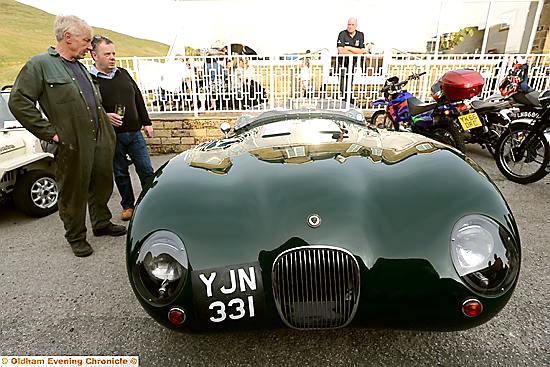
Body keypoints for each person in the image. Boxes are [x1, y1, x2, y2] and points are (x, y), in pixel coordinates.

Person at [8, 15, 126, 257]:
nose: (89, 46)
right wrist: (49, 132)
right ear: (68, 37)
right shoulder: (39, 65)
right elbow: (19, 102)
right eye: (86, 41)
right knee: (73, 190)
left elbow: (92, 101)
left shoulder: (80, 66)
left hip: (100, 137)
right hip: (72, 142)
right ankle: (75, 236)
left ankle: (101, 223)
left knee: (102, 183)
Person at [90, 35, 155, 222]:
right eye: (107, 54)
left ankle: (149, 203)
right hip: (112, 137)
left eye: (114, 53)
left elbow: (138, 98)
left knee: (146, 170)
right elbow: (88, 107)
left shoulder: (123, 73)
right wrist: (105, 116)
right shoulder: (90, 81)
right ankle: (128, 206)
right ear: (95, 55)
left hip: (135, 133)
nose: (112, 57)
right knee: (120, 173)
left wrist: (147, 122)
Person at [336, 17, 368, 102]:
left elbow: (362, 50)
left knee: (350, 82)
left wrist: (348, 48)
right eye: (349, 24)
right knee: (343, 84)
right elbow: (341, 50)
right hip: (342, 63)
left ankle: (349, 100)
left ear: (356, 25)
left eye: (352, 24)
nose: (350, 26)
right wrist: (355, 52)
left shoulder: (360, 35)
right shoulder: (342, 34)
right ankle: (346, 100)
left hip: (352, 64)